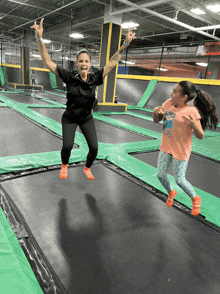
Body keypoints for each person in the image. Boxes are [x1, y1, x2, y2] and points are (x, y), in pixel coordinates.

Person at [31, 18, 135, 180]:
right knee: (67, 145)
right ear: (77, 64)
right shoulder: (69, 77)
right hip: (70, 117)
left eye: (86, 61)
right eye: (81, 61)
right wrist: (39, 39)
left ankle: (87, 168)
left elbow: (113, 62)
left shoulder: (95, 78)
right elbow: (48, 62)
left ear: (90, 64)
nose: (84, 64)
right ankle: (64, 165)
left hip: (86, 118)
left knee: (94, 148)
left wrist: (125, 45)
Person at [153, 81, 218, 215]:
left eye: (175, 91)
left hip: (180, 151)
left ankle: (195, 198)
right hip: (166, 147)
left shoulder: (191, 112)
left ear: (184, 97)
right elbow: (156, 120)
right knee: (160, 175)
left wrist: (194, 125)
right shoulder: (167, 104)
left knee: (180, 180)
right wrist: (156, 112)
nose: (171, 93)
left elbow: (200, 135)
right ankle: (171, 192)